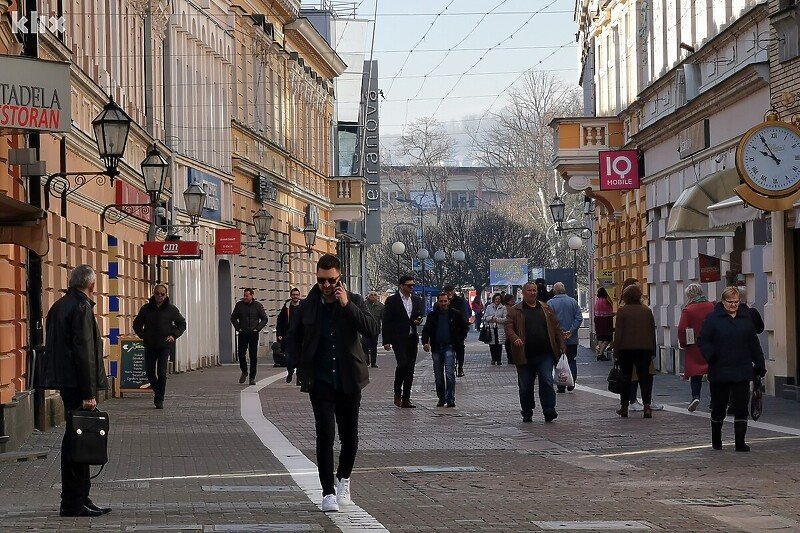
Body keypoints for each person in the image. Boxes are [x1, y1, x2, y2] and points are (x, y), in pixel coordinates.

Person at [285, 253, 378, 512]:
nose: (326, 286)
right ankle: (327, 492)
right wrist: (295, 364)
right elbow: (292, 337)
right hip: (321, 380)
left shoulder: (355, 301)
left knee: (350, 438)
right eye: (321, 281)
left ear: (340, 279)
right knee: (325, 435)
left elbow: (372, 329)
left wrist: (348, 305)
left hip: (349, 378)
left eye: (331, 281)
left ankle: (343, 481)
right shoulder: (307, 306)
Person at [38, 264, 111, 517]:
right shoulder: (80, 307)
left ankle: (81, 496)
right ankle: (72, 501)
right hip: (77, 385)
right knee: (76, 442)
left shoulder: (60, 305)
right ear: (91, 286)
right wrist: (89, 393)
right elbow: (83, 352)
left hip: (66, 381)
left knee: (76, 439)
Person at [699, 286, 766, 452]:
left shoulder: (746, 318)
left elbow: (753, 343)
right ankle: (716, 438)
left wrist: (759, 364)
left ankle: (740, 442)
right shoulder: (713, 318)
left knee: (741, 406)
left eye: (736, 302)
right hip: (719, 369)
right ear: (723, 302)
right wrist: (710, 355)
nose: (734, 305)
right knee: (719, 407)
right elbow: (703, 340)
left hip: (742, 368)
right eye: (730, 302)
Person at [505, 281, 566, 423]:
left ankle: (549, 409)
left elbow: (556, 327)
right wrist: (514, 338)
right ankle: (527, 411)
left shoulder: (546, 308)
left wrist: (561, 343)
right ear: (523, 292)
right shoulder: (516, 310)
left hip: (545, 353)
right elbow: (509, 327)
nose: (532, 293)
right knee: (525, 385)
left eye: (534, 290)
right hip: (524, 354)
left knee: (547, 381)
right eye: (529, 290)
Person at [133, 284, 187, 409]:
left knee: (162, 372)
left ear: (166, 295)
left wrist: (174, 335)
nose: (159, 296)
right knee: (150, 372)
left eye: (162, 294)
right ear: (153, 293)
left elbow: (182, 324)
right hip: (150, 344)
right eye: (157, 293)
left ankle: (159, 398)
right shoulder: (146, 309)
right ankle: (158, 391)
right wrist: (142, 335)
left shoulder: (171, 310)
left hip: (164, 345)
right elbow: (136, 324)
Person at [613, 284, 657, 418]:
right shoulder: (647, 311)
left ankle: (624, 407)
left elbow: (618, 333)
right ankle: (647, 406)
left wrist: (615, 351)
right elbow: (651, 331)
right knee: (645, 378)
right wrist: (653, 350)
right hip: (645, 349)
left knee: (625, 377)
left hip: (626, 349)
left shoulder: (622, 311)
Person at [383, 275, 425, 408]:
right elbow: (387, 320)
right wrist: (386, 340)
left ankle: (406, 397)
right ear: (401, 286)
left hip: (412, 337)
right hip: (398, 338)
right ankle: (397, 392)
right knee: (402, 364)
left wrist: (418, 320)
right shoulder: (392, 300)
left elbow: (419, 315)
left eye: (413, 285)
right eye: (408, 285)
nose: (411, 287)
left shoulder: (417, 299)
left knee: (410, 368)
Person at [422, 292, 469, 407]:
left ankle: (450, 398)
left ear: (448, 301)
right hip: (437, 347)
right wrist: (425, 342)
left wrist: (459, 339)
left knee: (449, 374)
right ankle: (441, 397)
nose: (443, 303)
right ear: (437, 302)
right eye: (441, 301)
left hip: (450, 346)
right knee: (438, 376)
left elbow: (464, 327)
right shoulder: (432, 315)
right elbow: (426, 330)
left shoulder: (455, 314)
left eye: (445, 301)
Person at [677, 283, 714, 412]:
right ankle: (714, 399)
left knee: (696, 374)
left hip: (695, 346)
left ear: (689, 295)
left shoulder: (688, 310)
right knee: (713, 372)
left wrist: (683, 343)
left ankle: (695, 396)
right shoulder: (712, 306)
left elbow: (682, 329)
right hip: (712, 344)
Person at [548, 282, 583, 393]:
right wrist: (571, 331)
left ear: (554, 291)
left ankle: (561, 385)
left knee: (558, 361)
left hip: (556, 339)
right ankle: (572, 381)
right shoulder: (573, 302)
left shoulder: (550, 303)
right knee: (571, 360)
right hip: (571, 339)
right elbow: (579, 318)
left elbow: (549, 321)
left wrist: (558, 333)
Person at [230, 288, 268, 386]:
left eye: (247, 295)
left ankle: (252, 377)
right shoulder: (239, 305)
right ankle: (244, 370)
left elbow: (264, 319)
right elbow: (233, 317)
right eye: (244, 295)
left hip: (253, 333)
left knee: (253, 356)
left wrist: (257, 329)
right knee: (241, 353)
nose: (245, 297)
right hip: (243, 332)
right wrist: (238, 328)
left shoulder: (258, 306)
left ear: (252, 295)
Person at [443, 285, 470, 377]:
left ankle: (460, 367)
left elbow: (464, 314)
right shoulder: (443, 300)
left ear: (454, 291)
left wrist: (464, 329)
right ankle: (449, 366)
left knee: (460, 349)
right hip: (446, 329)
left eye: (451, 290)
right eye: (447, 291)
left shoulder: (460, 301)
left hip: (458, 329)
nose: (449, 293)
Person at [277, 287, 302, 384]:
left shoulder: (303, 307)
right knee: (287, 358)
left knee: (300, 358)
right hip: (288, 337)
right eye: (293, 295)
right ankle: (290, 371)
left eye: (297, 295)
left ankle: (299, 378)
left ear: (299, 296)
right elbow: (280, 321)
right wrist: (279, 334)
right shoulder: (286, 307)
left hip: (300, 337)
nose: (295, 296)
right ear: (291, 296)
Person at [362, 291, 385, 368]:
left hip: (375, 329)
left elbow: (383, 318)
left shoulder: (381, 306)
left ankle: (373, 362)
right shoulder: (364, 304)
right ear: (368, 296)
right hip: (365, 328)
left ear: (377, 297)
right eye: (371, 295)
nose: (373, 296)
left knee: (373, 346)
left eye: (375, 295)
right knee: (365, 345)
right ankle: (366, 360)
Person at [484, 293, 507, 365]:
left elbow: (505, 319)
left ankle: (499, 359)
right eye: (496, 299)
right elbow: (485, 317)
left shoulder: (503, 308)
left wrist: (497, 319)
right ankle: (493, 359)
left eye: (499, 299)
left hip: (499, 329)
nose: (497, 300)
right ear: (493, 299)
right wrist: (491, 318)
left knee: (499, 345)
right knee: (492, 345)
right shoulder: (489, 307)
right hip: (491, 329)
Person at [593, 287, 614, 361]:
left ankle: (600, 352)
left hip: (598, 321)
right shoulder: (606, 301)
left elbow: (595, 312)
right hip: (606, 321)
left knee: (600, 337)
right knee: (607, 338)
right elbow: (611, 312)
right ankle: (600, 354)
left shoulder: (597, 301)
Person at [502, 294, 516, 364]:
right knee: (508, 344)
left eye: (513, 299)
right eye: (511, 300)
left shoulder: (516, 307)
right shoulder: (505, 308)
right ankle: (510, 359)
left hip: (515, 328)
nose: (513, 301)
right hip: (507, 328)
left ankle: (513, 358)